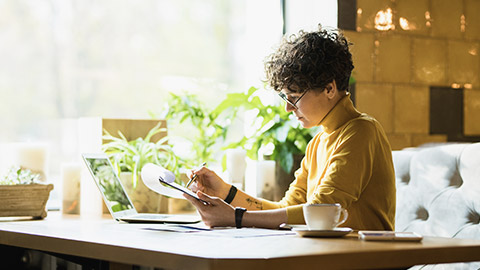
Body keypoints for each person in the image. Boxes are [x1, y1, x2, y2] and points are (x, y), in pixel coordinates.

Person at [183, 25, 396, 231]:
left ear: (329, 88)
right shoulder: (317, 144)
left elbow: (320, 212)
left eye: (294, 98)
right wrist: (225, 192)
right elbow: (286, 210)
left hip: (365, 258)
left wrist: (236, 218)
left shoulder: (361, 131)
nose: (287, 108)